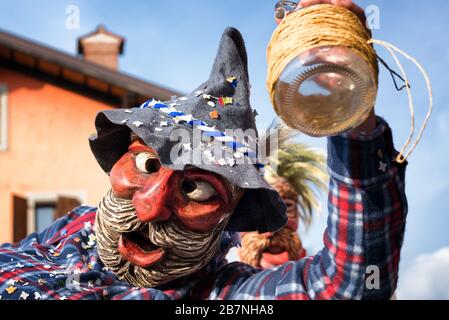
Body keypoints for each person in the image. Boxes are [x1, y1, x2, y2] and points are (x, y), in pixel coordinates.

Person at [0, 0, 408, 300]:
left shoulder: (220, 297)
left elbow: (349, 284)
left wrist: (351, 114)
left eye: (197, 190)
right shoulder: (77, 225)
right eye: (146, 164)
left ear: (228, 218)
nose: (150, 207)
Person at [238, 125, 328, 269]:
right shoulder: (221, 285)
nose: (271, 231)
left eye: (286, 206)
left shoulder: (322, 277)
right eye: (254, 212)